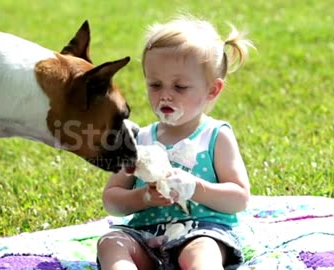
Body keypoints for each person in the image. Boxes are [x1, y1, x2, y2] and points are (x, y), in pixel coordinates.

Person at [96, 14, 254, 270]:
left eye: (180, 87)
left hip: (203, 231)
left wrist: (195, 188)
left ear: (212, 90)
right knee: (110, 242)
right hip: (147, 236)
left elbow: (239, 198)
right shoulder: (140, 139)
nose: (165, 95)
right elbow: (112, 200)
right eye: (155, 85)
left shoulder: (215, 135)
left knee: (201, 252)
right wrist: (144, 197)